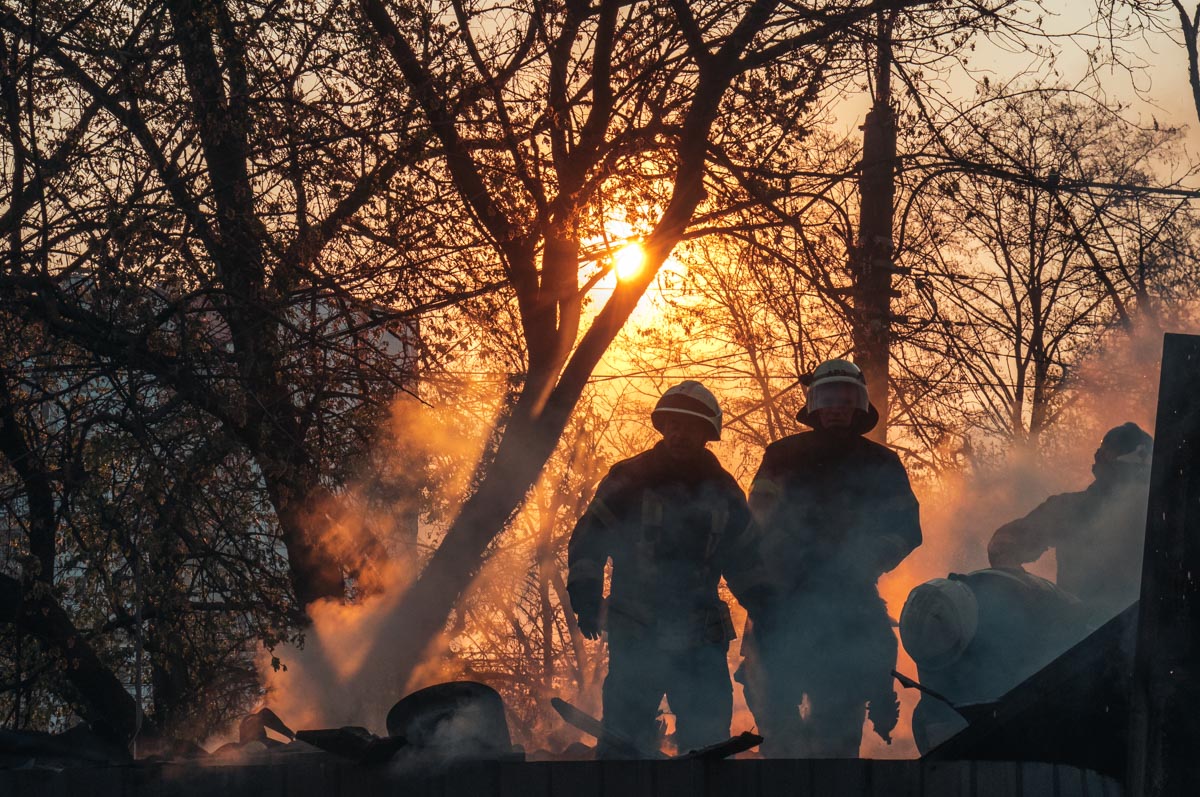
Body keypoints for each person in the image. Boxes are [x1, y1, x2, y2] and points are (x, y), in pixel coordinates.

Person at [565, 381, 769, 758]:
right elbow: (589, 540)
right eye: (673, 424)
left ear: (708, 433)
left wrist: (767, 609)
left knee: (709, 743)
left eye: (689, 427)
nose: (679, 434)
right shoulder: (629, 479)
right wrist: (586, 598)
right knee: (623, 740)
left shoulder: (723, 491)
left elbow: (747, 560)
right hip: (636, 628)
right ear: (662, 427)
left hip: (700, 634)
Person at [742, 358, 922, 757]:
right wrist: (771, 559)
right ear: (814, 405)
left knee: (840, 723)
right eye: (827, 397)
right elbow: (755, 518)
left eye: (845, 397)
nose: (836, 406)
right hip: (782, 601)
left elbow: (908, 527)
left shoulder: (881, 463)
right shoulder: (782, 455)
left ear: (858, 405)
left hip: (848, 599)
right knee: (775, 718)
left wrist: (869, 556)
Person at [899, 567, 1089, 753]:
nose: (944, 664)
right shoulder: (928, 639)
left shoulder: (1018, 602)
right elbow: (935, 712)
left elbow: (1060, 663)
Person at [987, 422, 1153, 625]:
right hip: (1082, 646)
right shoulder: (1070, 510)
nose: (1135, 487)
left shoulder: (1168, 519)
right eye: (1130, 476)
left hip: (1102, 645)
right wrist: (1035, 597)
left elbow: (1002, 544)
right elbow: (1004, 544)